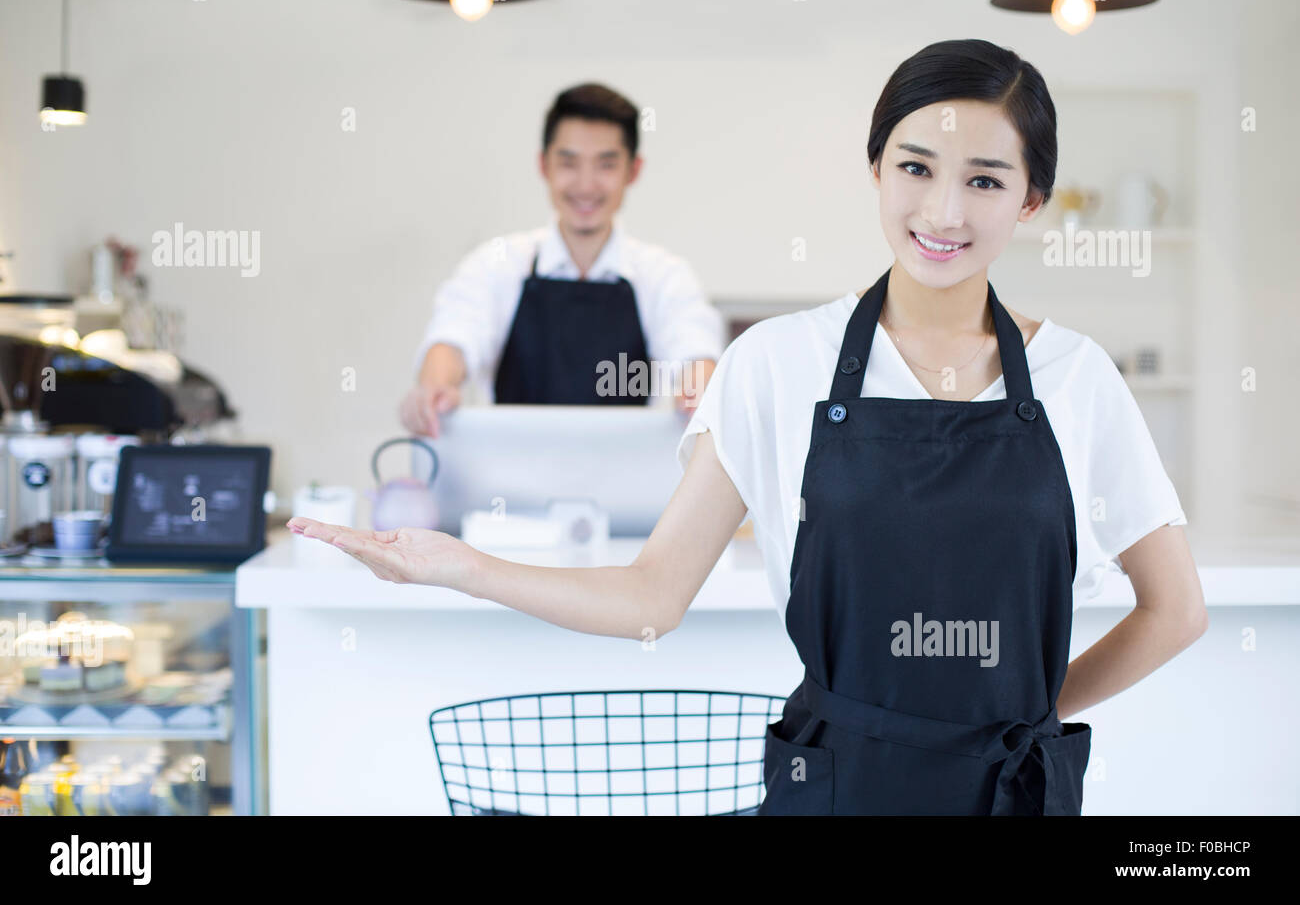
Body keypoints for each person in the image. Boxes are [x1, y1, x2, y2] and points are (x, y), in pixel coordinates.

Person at [293, 40, 1207, 815]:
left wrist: (1031, 714)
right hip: (835, 787)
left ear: (1032, 200)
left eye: (985, 179)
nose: (943, 211)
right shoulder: (775, 364)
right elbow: (653, 595)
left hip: (1012, 793)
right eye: (916, 168)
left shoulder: (1077, 378)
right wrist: (460, 565)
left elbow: (1176, 610)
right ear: (877, 169)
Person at [400, 82, 723, 438]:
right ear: (544, 166)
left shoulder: (663, 275)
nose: (585, 185)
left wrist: (699, 393)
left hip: (623, 483)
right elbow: (455, 335)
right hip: (508, 483)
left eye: (606, 165)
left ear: (633, 171)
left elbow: (694, 346)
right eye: (568, 163)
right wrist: (436, 386)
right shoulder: (496, 264)